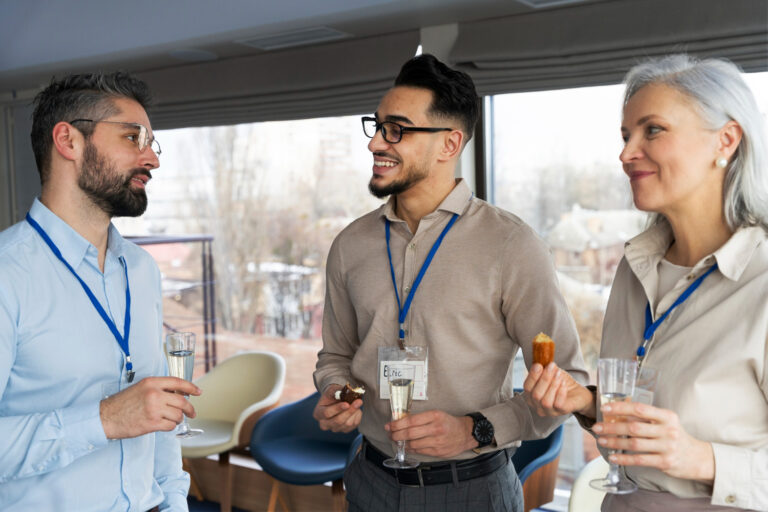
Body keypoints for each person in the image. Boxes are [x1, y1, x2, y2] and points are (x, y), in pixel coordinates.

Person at [312, 54, 588, 512]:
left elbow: (569, 384)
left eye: (396, 129)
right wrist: (336, 392)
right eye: (376, 126)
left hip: (472, 490)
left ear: (449, 143)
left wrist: (475, 428)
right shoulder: (350, 244)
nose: (376, 143)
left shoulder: (511, 245)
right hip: (369, 481)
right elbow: (335, 355)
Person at [524, 54, 768, 511]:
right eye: (625, 135)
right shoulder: (634, 269)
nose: (625, 153)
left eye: (652, 130)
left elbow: (685, 445)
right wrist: (587, 402)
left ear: (727, 140)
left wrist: (702, 458)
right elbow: (645, 419)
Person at [0, 72, 201, 511]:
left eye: (152, 142)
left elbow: (157, 415)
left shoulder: (142, 269)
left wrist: (173, 502)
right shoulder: (6, 274)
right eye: (134, 137)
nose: (153, 159)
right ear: (68, 141)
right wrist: (105, 419)